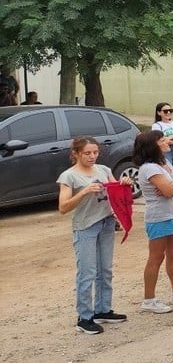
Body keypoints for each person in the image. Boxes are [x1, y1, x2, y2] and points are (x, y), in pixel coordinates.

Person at [59, 136, 132, 334]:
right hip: (85, 226)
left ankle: (103, 309)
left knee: (105, 269)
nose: (92, 156)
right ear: (76, 154)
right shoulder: (69, 176)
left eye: (95, 152)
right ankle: (84, 317)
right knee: (87, 272)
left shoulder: (104, 170)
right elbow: (63, 207)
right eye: (87, 153)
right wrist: (83, 192)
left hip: (106, 222)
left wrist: (124, 183)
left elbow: (116, 191)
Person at [134, 130, 173, 315]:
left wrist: (172, 186)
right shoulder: (150, 168)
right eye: (162, 140)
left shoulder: (163, 162)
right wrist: (172, 187)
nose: (167, 141)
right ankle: (149, 299)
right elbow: (170, 191)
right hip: (158, 216)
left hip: (169, 213)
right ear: (153, 146)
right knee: (156, 256)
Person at [152, 102, 173, 167]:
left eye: (170, 111)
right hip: (165, 151)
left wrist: (171, 137)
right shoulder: (157, 125)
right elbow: (162, 140)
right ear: (159, 113)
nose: (168, 113)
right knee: (169, 168)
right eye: (165, 111)